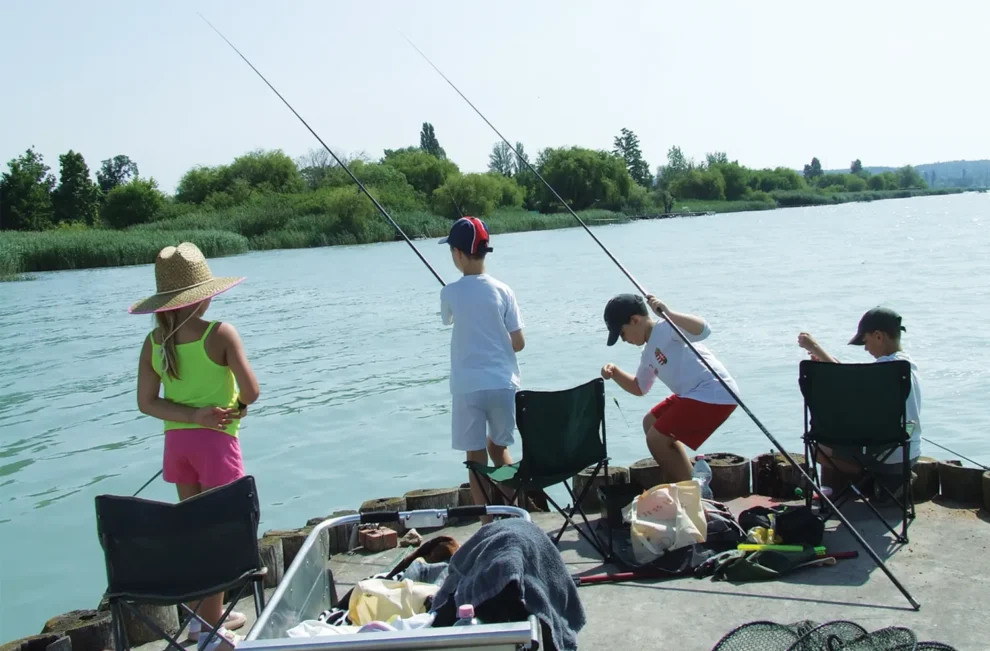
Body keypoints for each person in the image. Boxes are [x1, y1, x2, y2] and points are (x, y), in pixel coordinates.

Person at [130, 242, 260, 651]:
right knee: (220, 530)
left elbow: (147, 403)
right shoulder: (219, 333)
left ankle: (203, 618)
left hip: (178, 447)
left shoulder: (154, 342)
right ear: (203, 296)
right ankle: (209, 627)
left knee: (195, 530)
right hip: (217, 445)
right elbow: (252, 391)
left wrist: (192, 416)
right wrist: (235, 407)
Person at [601, 293, 738, 484]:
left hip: (715, 392)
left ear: (635, 320)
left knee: (656, 439)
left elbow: (704, 329)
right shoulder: (647, 354)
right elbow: (639, 387)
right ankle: (689, 481)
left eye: (622, 333)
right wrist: (615, 372)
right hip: (693, 394)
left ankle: (690, 491)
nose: (623, 340)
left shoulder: (667, 328)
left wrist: (669, 313)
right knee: (650, 422)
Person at [439, 217, 525, 519]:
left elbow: (447, 319)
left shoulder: (449, 292)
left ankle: (487, 519)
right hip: (503, 384)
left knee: (475, 457)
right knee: (499, 449)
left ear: (458, 254)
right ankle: (513, 508)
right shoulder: (504, 290)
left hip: (467, 388)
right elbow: (518, 343)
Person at [797, 306, 921, 497]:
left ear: (878, 336)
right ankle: (888, 483)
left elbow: (847, 383)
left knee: (820, 447)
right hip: (909, 452)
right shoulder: (905, 366)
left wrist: (814, 347)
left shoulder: (886, 369)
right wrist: (827, 360)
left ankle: (870, 482)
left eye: (866, 341)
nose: (866, 348)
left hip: (885, 456)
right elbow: (855, 378)